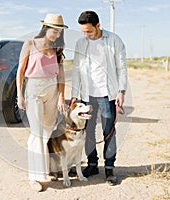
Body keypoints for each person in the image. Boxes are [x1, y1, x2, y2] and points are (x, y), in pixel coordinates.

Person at [70, 10, 127, 186]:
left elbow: (122, 68)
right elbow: (77, 70)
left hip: (107, 94)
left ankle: (109, 169)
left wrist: (121, 91)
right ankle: (92, 164)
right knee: (88, 131)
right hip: (87, 95)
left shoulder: (114, 40)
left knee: (108, 131)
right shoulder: (81, 43)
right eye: (84, 32)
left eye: (89, 31)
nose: (86, 35)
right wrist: (74, 95)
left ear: (98, 26)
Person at [16, 13, 68, 192]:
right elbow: (20, 71)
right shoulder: (30, 44)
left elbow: (61, 75)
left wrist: (62, 97)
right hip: (34, 89)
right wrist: (19, 95)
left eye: (59, 31)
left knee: (47, 131)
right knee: (37, 132)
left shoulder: (57, 49)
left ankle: (44, 169)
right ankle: (34, 177)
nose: (57, 34)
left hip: (52, 89)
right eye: (54, 30)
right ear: (45, 28)